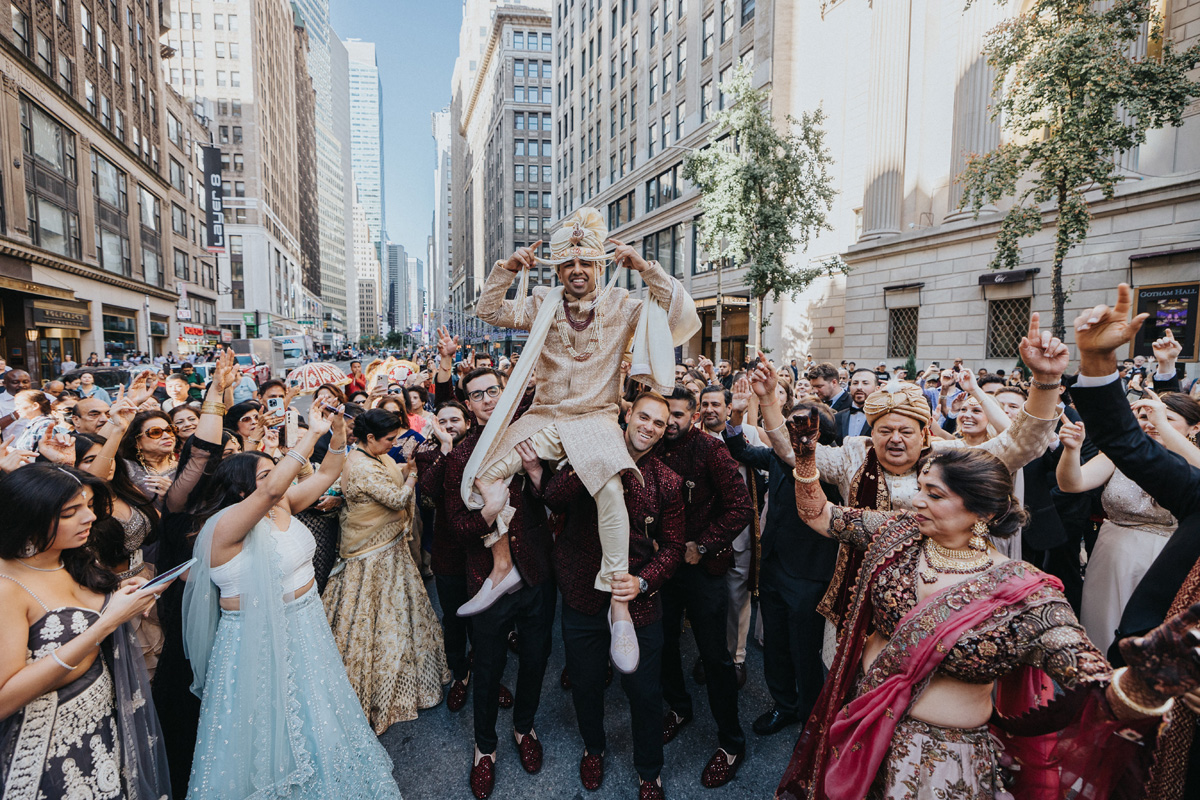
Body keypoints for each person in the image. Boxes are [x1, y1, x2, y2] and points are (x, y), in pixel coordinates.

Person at [779, 415, 1200, 799]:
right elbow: (819, 515)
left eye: (934, 494)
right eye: (920, 489)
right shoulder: (898, 534)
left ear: (980, 511)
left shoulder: (1024, 593)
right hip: (861, 728)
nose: (916, 501)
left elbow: (1090, 679)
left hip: (940, 764)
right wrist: (804, 457)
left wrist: (1146, 684)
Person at [461, 207, 698, 679]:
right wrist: (507, 271)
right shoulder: (542, 302)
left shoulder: (624, 304)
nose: (575, 272)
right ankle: (503, 566)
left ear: (598, 267)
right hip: (546, 416)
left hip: (594, 419)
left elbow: (676, 314)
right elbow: (488, 310)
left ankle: (619, 609)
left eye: (584, 264)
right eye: (567, 264)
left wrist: (645, 268)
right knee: (480, 480)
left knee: (610, 490)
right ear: (559, 269)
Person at [182, 399, 403, 798]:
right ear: (242, 488)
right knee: (265, 726)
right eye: (268, 473)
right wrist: (310, 433)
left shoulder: (282, 504)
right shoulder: (222, 530)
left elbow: (329, 472)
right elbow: (270, 490)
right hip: (255, 639)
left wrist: (335, 434)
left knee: (317, 712)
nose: (280, 480)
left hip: (307, 624)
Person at [544, 392, 686, 800]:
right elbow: (552, 498)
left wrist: (644, 582)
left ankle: (649, 772)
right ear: (627, 416)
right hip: (581, 593)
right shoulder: (588, 455)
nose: (649, 427)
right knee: (586, 682)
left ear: (664, 430)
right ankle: (594, 747)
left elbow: (674, 547)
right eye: (644, 417)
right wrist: (594, 462)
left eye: (659, 423)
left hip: (638, 601)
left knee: (644, 691)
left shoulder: (667, 481)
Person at [0, 464, 171, 799]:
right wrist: (109, 621)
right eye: (71, 512)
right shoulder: (8, 585)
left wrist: (122, 597)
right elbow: (4, 698)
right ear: (28, 516)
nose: (89, 518)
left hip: (104, 727)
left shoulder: (73, 559)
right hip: (48, 747)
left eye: (88, 507)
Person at [441, 369, 556, 799]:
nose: (489, 399)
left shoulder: (529, 436)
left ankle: (523, 727)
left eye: (494, 390)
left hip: (536, 574)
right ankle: (483, 749)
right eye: (478, 395)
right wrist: (490, 511)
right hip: (486, 579)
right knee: (487, 668)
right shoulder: (461, 457)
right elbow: (457, 526)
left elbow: (557, 500)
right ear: (466, 404)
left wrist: (535, 472)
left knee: (536, 657)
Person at [323, 408, 449, 734]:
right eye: (390, 439)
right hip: (369, 557)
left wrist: (404, 466)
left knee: (398, 616)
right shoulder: (361, 465)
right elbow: (395, 499)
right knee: (376, 622)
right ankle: (377, 693)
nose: (394, 444)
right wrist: (413, 475)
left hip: (390, 548)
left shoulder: (374, 456)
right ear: (369, 438)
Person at [656, 387, 752, 787]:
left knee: (715, 658)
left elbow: (742, 506)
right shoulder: (651, 446)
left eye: (679, 415)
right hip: (661, 569)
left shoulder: (711, 450)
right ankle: (679, 708)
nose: (671, 423)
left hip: (702, 569)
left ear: (694, 415)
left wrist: (706, 544)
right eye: (666, 416)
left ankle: (731, 741)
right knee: (662, 645)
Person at [1057, 393, 1197, 655]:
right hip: (1113, 555)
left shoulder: (1194, 461)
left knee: (1156, 635)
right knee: (1103, 628)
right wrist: (1071, 451)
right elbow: (1072, 483)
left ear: (1195, 427)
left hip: (1170, 557)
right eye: (1144, 417)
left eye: (1168, 418)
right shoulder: (1119, 456)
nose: (1152, 423)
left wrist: (1164, 429)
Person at [834, 369, 878, 444]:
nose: (859, 387)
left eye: (865, 383)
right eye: (855, 383)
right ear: (850, 387)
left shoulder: (881, 418)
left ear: (877, 389)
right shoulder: (837, 417)